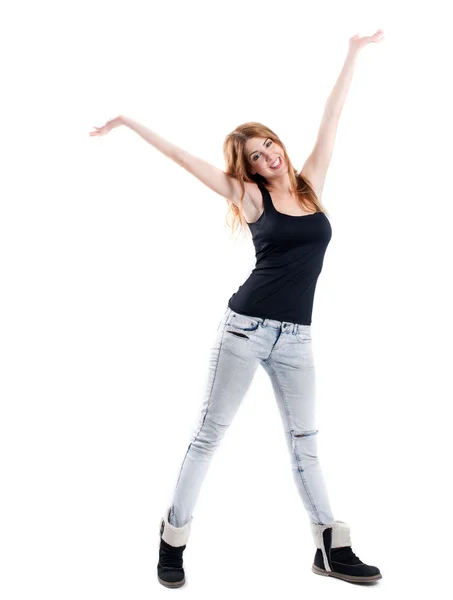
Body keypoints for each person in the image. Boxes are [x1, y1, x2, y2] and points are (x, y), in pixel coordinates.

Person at [89, 29, 385, 588]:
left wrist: (352, 52)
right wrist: (127, 121)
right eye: (256, 155)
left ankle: (330, 547)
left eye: (270, 145)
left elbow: (332, 116)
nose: (268, 155)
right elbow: (181, 157)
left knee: (306, 443)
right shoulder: (250, 197)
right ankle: (172, 541)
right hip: (245, 329)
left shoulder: (310, 184)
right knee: (209, 434)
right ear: (247, 167)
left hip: (297, 337)